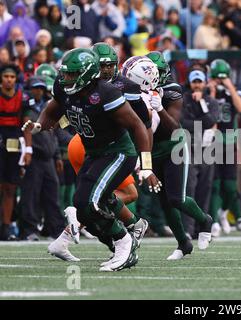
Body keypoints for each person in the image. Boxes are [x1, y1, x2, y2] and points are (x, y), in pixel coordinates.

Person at [22, 48, 157, 271]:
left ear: (85, 74)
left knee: (89, 204)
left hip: (118, 152)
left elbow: (138, 125)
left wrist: (147, 165)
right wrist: (40, 125)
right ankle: (123, 237)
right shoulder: (64, 88)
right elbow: (53, 110)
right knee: (82, 205)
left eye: (72, 74)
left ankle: (124, 243)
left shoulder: (106, 93)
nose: (66, 78)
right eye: (65, 73)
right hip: (94, 153)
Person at [125, 54, 213, 260]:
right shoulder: (135, 90)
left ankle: (205, 220)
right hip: (151, 150)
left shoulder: (172, 90)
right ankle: (183, 243)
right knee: (164, 201)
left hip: (174, 147)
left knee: (176, 198)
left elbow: (174, 127)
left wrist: (160, 108)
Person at [207, 59, 241, 237]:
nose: (220, 81)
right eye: (217, 78)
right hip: (209, 143)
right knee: (214, 185)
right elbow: (207, 110)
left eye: (223, 78)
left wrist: (230, 87)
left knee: (229, 186)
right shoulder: (207, 90)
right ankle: (213, 221)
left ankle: (224, 212)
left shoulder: (234, 92)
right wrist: (212, 90)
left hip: (228, 143)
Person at [19, 76, 65, 241]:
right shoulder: (28, 108)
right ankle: (29, 229)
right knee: (31, 194)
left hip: (49, 158)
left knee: (52, 194)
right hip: (35, 157)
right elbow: (26, 128)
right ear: (30, 89)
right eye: (35, 88)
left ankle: (55, 229)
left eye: (40, 88)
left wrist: (57, 155)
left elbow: (52, 133)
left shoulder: (48, 106)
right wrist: (28, 150)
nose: (38, 91)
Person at [181, 69, 218, 238]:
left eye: (199, 81)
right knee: (189, 189)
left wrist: (202, 104)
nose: (197, 85)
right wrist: (203, 124)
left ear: (204, 83)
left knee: (205, 189)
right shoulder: (183, 100)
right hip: (189, 149)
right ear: (190, 83)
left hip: (207, 150)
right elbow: (183, 123)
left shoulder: (210, 101)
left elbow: (212, 120)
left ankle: (201, 229)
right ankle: (188, 229)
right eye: (194, 81)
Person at [0, 64, 32, 240]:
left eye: (12, 77)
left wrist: (28, 149)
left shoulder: (22, 96)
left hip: (14, 140)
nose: (9, 80)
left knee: (11, 187)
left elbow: (26, 124)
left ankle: (6, 226)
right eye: (6, 76)